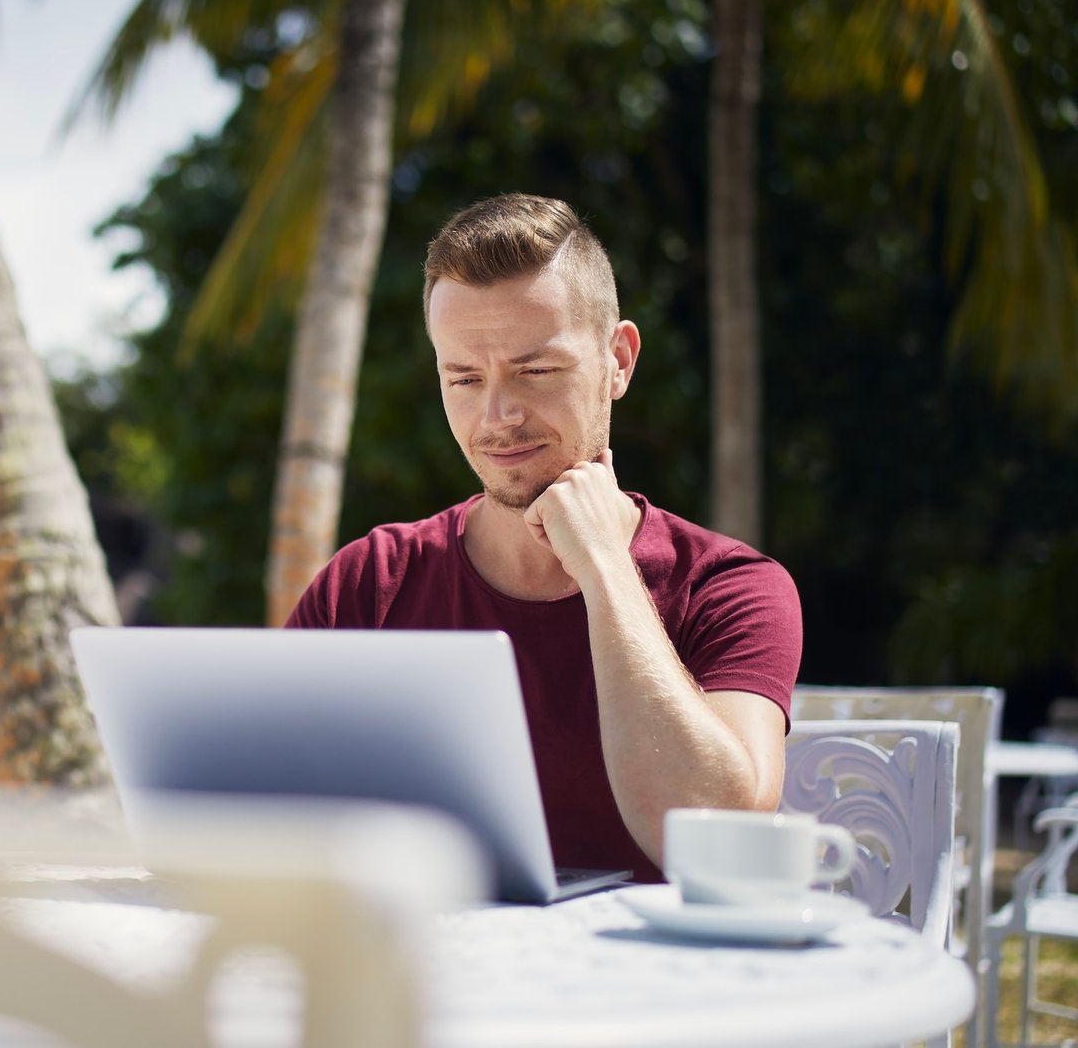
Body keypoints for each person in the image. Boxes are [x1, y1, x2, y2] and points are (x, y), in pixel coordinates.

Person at [286, 194, 801, 882]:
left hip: (649, 986)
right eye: (464, 378)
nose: (496, 416)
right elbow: (264, 817)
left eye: (536, 371)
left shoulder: (730, 587)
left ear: (618, 361)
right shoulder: (368, 583)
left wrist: (604, 568)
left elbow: (716, 841)